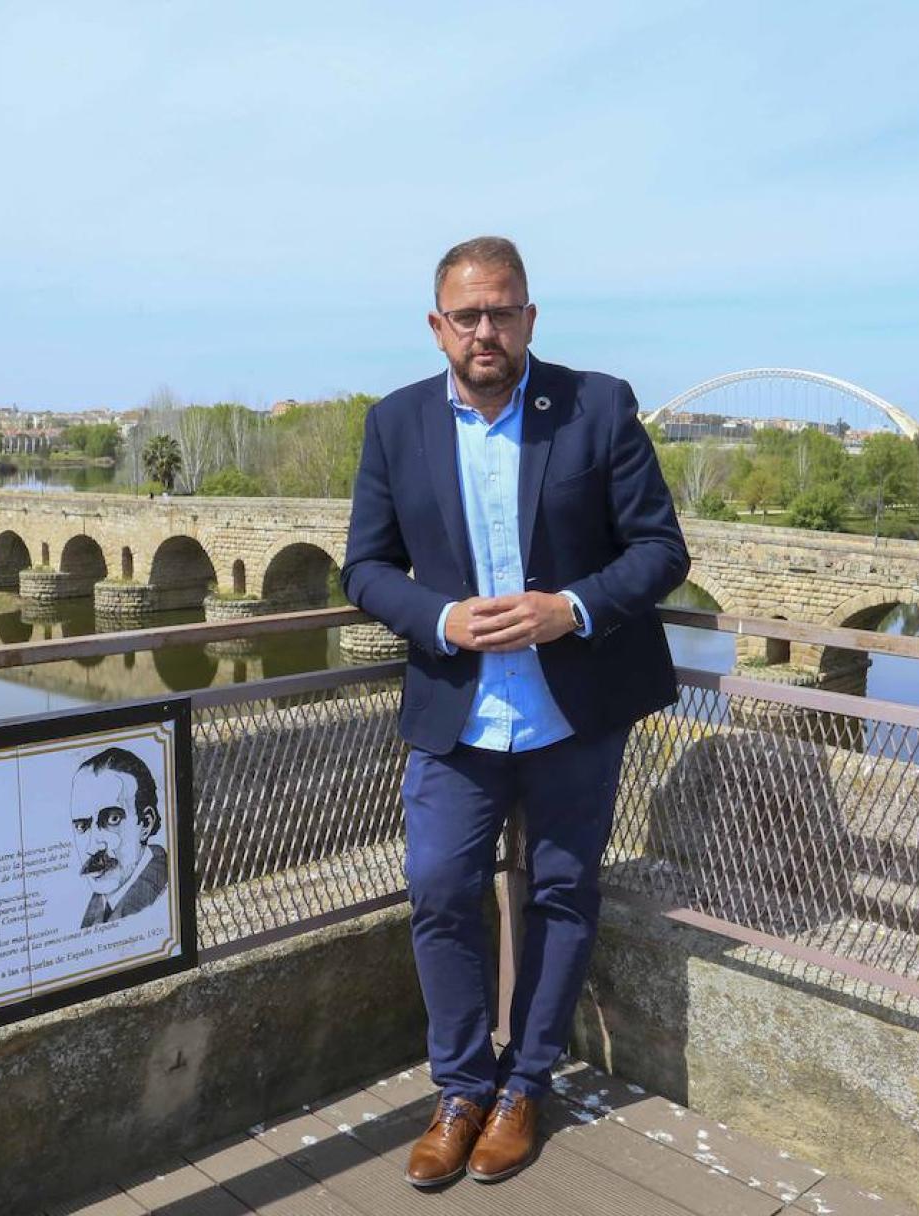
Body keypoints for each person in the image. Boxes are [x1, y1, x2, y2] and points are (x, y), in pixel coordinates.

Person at [341, 236, 688, 1188]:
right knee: (441, 891)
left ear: (530, 317)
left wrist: (567, 609)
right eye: (467, 315)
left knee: (563, 896)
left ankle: (524, 1086)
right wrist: (442, 618)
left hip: (573, 712)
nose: (485, 330)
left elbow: (661, 550)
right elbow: (363, 566)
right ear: (437, 325)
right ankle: (460, 1089)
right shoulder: (394, 423)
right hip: (459, 715)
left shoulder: (597, 406)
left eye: (502, 312)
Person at [68, 746, 168, 928]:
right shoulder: (100, 904)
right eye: (82, 826)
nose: (93, 846)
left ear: (146, 824)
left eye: (113, 819)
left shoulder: (164, 894)